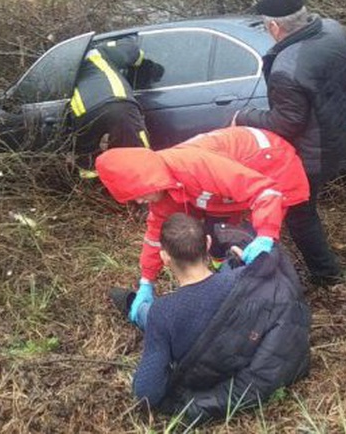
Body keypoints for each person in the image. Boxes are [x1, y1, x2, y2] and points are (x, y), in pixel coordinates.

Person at [96, 126, 310, 328]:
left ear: (149, 179)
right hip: (229, 189)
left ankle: (320, 276)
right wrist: (146, 280)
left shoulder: (194, 167)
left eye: (140, 194)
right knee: (222, 233)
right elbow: (156, 235)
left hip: (272, 163)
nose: (140, 201)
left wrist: (265, 235)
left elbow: (263, 192)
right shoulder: (163, 189)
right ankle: (229, 275)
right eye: (134, 198)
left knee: (270, 241)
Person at [110, 213, 310, 424]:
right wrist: (241, 264)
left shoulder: (162, 313)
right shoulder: (245, 277)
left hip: (187, 338)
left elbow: (147, 391)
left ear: (165, 258)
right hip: (242, 342)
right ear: (207, 243)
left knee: (147, 314)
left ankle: (135, 308)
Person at [234, 0, 346, 286]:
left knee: (300, 215)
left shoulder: (287, 67)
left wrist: (244, 116)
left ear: (274, 27)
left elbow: (287, 123)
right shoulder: (333, 30)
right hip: (336, 132)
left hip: (310, 153)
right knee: (306, 206)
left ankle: (328, 276)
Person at [70, 38, 150, 170]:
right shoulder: (99, 52)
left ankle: (96, 182)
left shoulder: (60, 65)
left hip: (84, 114)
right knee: (137, 156)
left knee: (89, 164)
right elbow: (133, 51)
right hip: (117, 103)